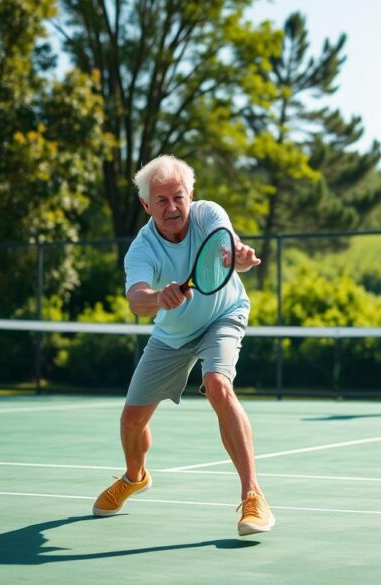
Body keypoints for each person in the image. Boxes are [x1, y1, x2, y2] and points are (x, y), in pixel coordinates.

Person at [92, 155, 273, 536]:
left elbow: (228, 250)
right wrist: (158, 297)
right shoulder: (141, 249)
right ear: (146, 204)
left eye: (179, 197)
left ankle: (253, 495)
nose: (172, 207)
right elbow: (136, 299)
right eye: (161, 200)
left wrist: (239, 258)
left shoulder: (209, 215)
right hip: (171, 334)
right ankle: (135, 477)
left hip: (223, 316)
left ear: (191, 195)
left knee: (218, 386)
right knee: (131, 421)